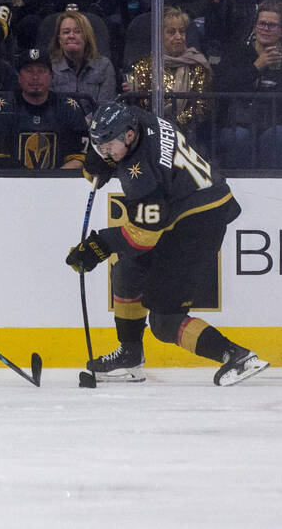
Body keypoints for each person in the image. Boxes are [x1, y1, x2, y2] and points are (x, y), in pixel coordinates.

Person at [67, 100, 269, 385]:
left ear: (128, 135)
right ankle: (130, 357)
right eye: (100, 145)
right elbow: (115, 124)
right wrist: (101, 157)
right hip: (185, 205)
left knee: (164, 321)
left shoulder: (143, 173)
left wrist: (99, 246)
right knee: (127, 272)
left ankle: (236, 356)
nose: (104, 151)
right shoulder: (135, 119)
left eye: (108, 145)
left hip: (198, 222)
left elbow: (143, 238)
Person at [0, 48, 88, 169]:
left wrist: (55, 180)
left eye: (41, 71)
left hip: (59, 184)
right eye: (29, 71)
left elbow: (80, 156)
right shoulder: (1, 108)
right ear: (19, 77)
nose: (35, 77)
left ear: (51, 76)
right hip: (12, 183)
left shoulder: (69, 108)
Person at [215, 3, 282, 167]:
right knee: (238, 136)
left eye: (272, 25)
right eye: (262, 24)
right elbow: (222, 86)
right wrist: (256, 67)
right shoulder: (236, 53)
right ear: (254, 27)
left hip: (275, 122)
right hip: (239, 122)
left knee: (278, 135)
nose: (265, 28)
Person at [128, 7, 213, 138]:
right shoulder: (145, 66)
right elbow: (141, 108)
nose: (178, 37)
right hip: (151, 135)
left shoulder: (198, 65)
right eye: (171, 32)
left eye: (182, 32)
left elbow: (201, 108)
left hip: (186, 135)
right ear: (160, 36)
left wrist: (172, 126)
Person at [47, 10, 116, 112]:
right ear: (59, 39)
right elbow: (49, 108)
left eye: (77, 32)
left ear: (87, 37)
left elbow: (105, 108)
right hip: (60, 126)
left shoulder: (104, 66)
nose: (71, 36)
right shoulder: (50, 67)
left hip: (96, 125)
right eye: (66, 32)